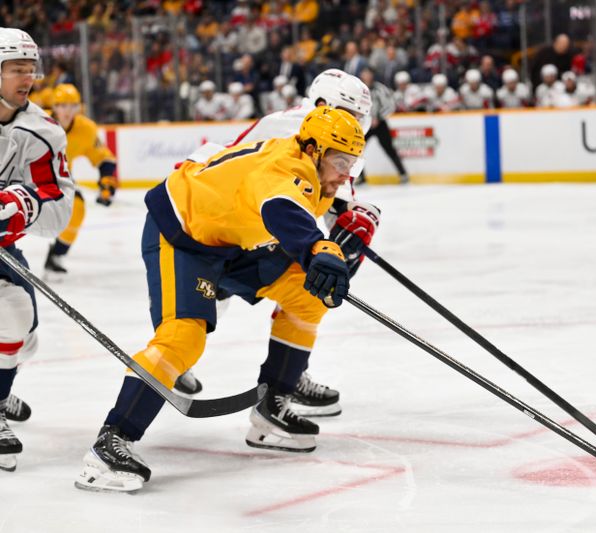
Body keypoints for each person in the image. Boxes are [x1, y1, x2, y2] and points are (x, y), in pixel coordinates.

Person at [75, 106, 365, 493]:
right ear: (313, 149)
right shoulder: (284, 171)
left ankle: (271, 407)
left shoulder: (315, 174)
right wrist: (319, 249)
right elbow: (282, 209)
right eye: (341, 161)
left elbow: (294, 215)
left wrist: (332, 244)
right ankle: (111, 444)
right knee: (183, 337)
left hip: (231, 240)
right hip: (183, 233)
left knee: (306, 295)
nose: (346, 174)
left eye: (353, 164)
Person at [176, 69, 378, 419]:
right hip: (229, 223)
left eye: (361, 116)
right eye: (352, 113)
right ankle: (178, 353)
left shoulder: (332, 133)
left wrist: (353, 223)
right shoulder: (300, 127)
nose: (357, 122)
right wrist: (351, 226)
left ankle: (289, 369)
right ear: (322, 104)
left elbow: (329, 199)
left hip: (248, 225)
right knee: (296, 283)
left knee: (308, 283)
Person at [0, 28, 75, 472]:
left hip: (3, 247)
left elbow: (59, 207)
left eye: (30, 70)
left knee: (19, 322)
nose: (25, 78)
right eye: (14, 69)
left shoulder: (42, 131)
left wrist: (22, 205)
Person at [43, 83, 118, 276]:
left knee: (77, 208)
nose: (68, 111)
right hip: (25, 177)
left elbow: (103, 157)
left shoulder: (85, 129)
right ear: (54, 106)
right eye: (62, 105)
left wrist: (107, 183)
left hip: (59, 180)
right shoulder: (37, 122)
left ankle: (57, 254)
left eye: (72, 106)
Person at [358, 67, 409, 184]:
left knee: (390, 149)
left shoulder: (379, 88)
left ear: (371, 74)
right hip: (366, 125)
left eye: (368, 73)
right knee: (357, 150)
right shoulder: (359, 89)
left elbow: (390, 105)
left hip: (380, 124)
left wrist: (379, 117)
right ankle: (361, 177)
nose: (366, 75)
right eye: (364, 72)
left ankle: (403, 174)